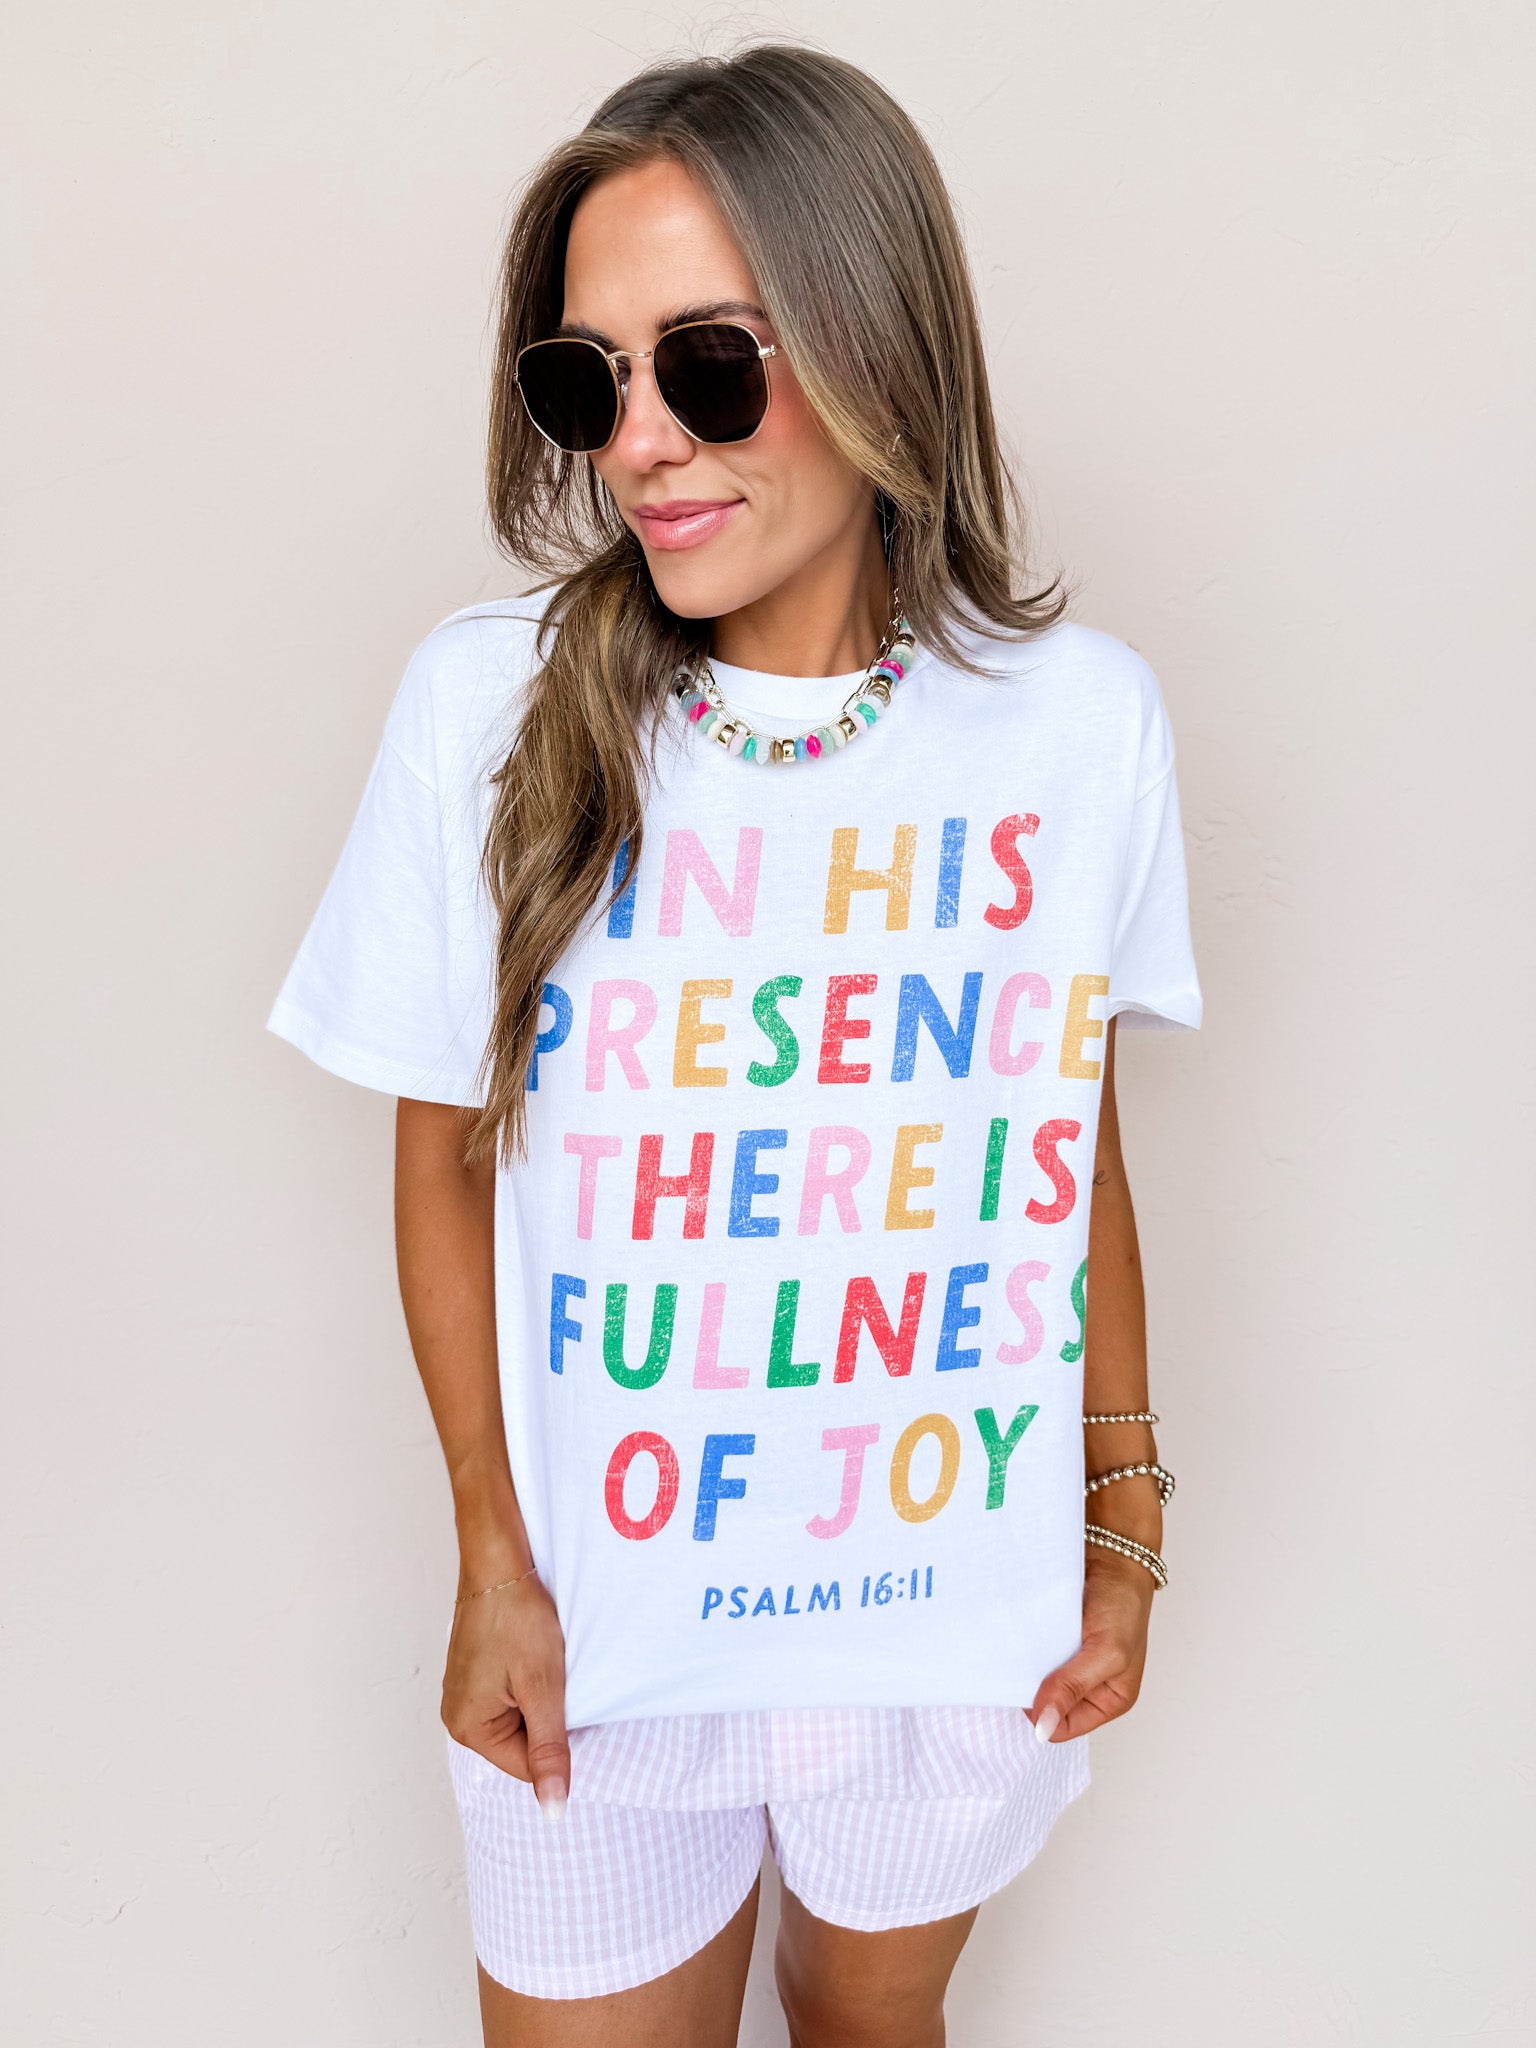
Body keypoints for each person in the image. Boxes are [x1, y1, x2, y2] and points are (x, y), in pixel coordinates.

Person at [267, 39, 1201, 2048]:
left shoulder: (1077, 726)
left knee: (868, 2022)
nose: (640, 445)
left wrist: (1121, 1522)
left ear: (877, 344)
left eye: (705, 365)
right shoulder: (487, 711)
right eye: (585, 381)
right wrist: (490, 1555)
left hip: (947, 1617)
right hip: (597, 1638)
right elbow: (443, 1166)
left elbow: (1066, 1149)